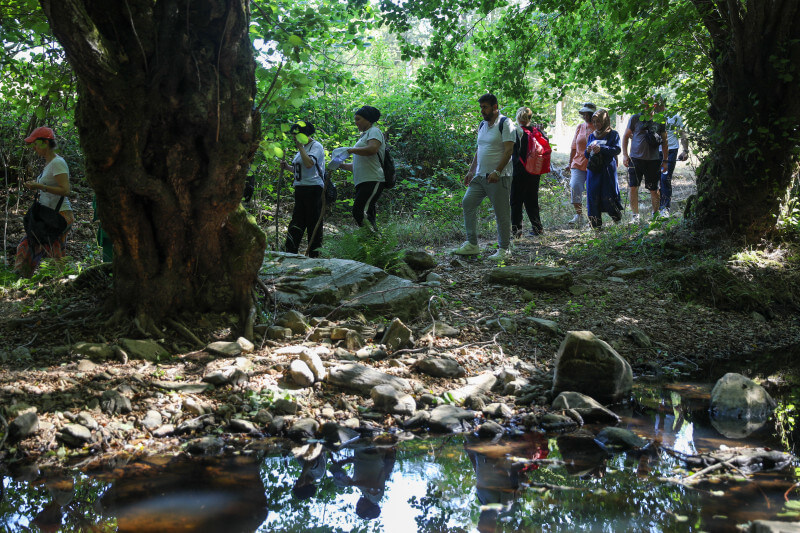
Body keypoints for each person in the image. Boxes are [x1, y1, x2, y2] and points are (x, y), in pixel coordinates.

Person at [453, 93, 516, 261]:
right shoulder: (482, 125)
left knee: (501, 213)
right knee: (468, 202)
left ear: (495, 107)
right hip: (480, 176)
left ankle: (504, 249)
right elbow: (479, 150)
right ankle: (472, 244)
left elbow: (509, 150)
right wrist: (471, 170)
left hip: (498, 177)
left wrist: (497, 171)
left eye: (485, 107)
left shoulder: (506, 123)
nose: (482, 111)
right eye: (481, 107)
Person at [15, 126, 74, 278]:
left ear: (45, 143)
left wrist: (40, 186)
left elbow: (66, 190)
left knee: (56, 253)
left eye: (36, 143)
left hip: (59, 216)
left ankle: (61, 285)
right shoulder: (49, 164)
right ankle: (21, 280)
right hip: (47, 215)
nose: (34, 147)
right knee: (28, 244)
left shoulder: (58, 163)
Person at [280, 121, 325, 257]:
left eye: (296, 134)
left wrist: (300, 147)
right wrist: (287, 167)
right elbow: (300, 170)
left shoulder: (315, 146)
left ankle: (314, 255)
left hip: (313, 189)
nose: (294, 137)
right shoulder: (303, 149)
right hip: (300, 189)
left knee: (313, 223)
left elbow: (310, 163)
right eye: (293, 135)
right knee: (297, 222)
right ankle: (290, 252)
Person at [621, 96, 669, 223]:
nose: (645, 107)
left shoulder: (660, 120)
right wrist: (625, 155)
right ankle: (635, 216)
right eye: (643, 105)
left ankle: (655, 214)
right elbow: (625, 136)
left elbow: (665, 141)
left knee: (654, 189)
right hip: (636, 159)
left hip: (653, 160)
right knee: (633, 187)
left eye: (647, 105)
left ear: (654, 105)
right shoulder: (635, 118)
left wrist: (665, 161)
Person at [338, 106, 385, 231]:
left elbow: (372, 149)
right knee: (367, 214)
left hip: (373, 179)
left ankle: (375, 240)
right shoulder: (364, 136)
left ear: (368, 120)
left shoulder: (374, 131)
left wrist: (350, 150)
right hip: (363, 180)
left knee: (359, 212)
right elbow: (358, 166)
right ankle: (374, 245)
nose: (356, 122)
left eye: (358, 119)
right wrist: (341, 165)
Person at [330, 444, 396, 521]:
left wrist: (345, 462)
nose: (358, 505)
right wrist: (352, 483)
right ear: (369, 508)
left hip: (362, 449)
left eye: (357, 507)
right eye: (360, 508)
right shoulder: (374, 498)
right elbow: (374, 485)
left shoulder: (365, 492)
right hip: (372, 450)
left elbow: (364, 470)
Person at [585, 109, 623, 229]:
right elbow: (586, 155)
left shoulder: (613, 134)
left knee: (608, 195)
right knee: (592, 195)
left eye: (599, 122)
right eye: (594, 122)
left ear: (605, 121)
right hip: (593, 171)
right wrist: (588, 151)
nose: (596, 124)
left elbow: (616, 149)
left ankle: (616, 218)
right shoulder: (592, 136)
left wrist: (602, 148)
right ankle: (595, 224)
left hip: (607, 171)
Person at [510, 107, 544, 238]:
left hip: (519, 170)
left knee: (516, 201)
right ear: (530, 118)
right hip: (534, 171)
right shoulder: (537, 132)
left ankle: (516, 231)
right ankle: (538, 228)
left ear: (518, 118)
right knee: (532, 200)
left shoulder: (515, 132)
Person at [567, 102, 597, 226]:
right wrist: (569, 163)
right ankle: (579, 214)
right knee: (575, 186)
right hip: (578, 162)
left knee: (593, 190)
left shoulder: (599, 126)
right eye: (583, 113)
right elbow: (574, 146)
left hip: (594, 164)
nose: (585, 116)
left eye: (588, 113)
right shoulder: (580, 127)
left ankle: (594, 216)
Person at [659, 111, 690, 217]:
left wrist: (685, 150)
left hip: (671, 150)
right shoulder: (650, 116)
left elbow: (682, 133)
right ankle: (657, 208)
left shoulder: (675, 117)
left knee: (665, 178)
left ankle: (664, 209)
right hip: (654, 152)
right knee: (657, 180)